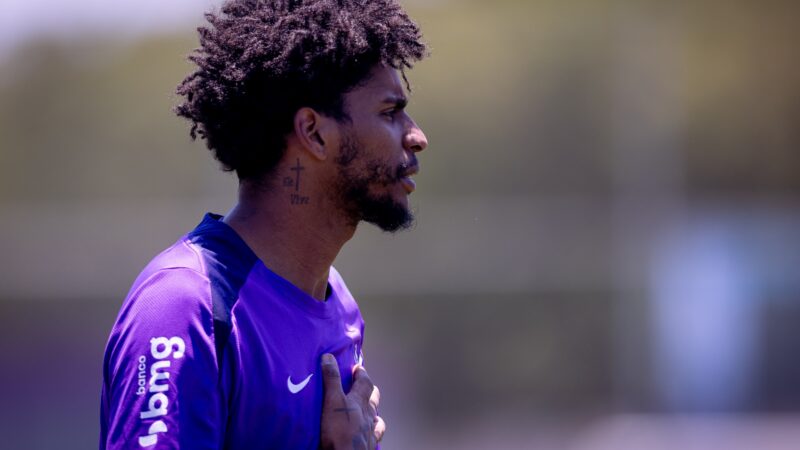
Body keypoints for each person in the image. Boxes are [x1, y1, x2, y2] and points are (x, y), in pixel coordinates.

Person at [99, 0, 428, 448]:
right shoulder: (183, 307)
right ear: (313, 132)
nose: (416, 136)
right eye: (390, 112)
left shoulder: (341, 306)